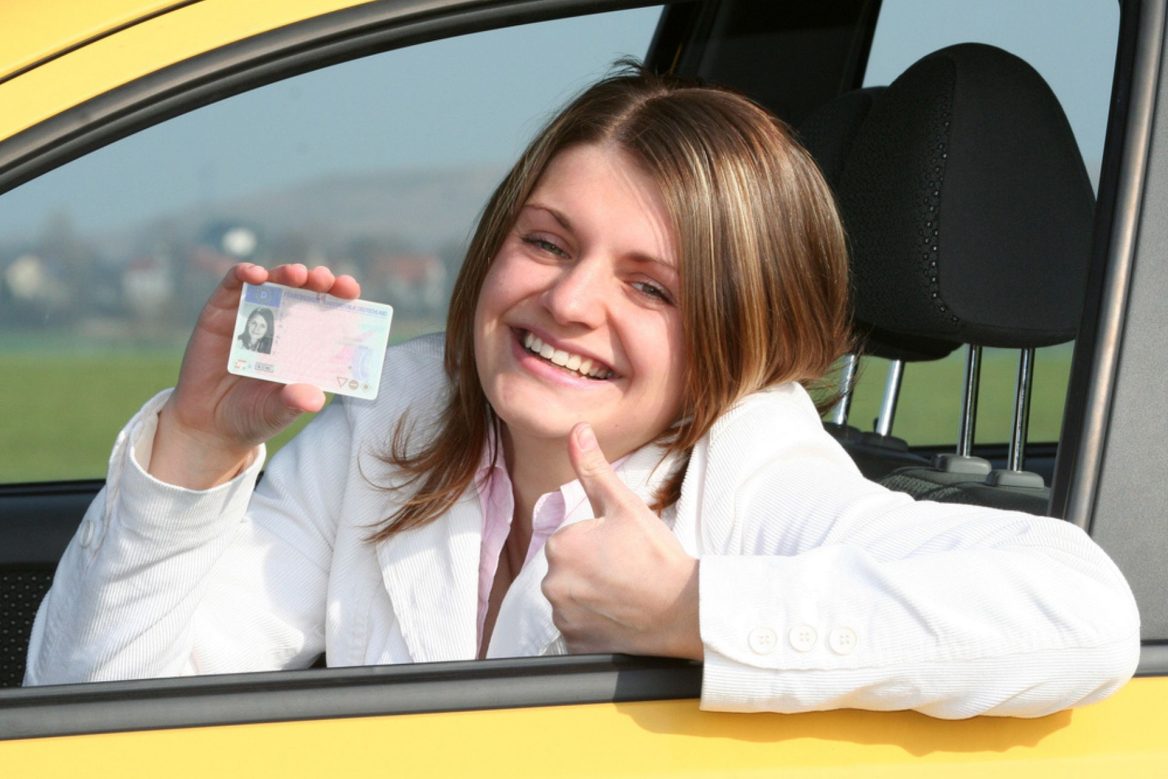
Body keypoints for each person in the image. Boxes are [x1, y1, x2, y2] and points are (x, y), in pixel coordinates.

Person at [24, 65, 1139, 719]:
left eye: (649, 286)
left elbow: (1084, 613)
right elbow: (100, 706)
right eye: (546, 242)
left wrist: (690, 611)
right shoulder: (393, 413)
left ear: (729, 335)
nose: (567, 301)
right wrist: (198, 448)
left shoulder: (752, 463)